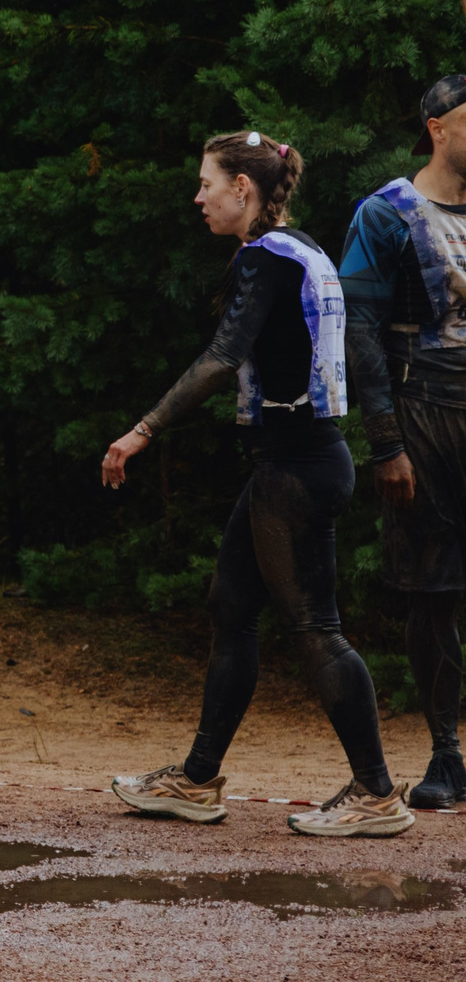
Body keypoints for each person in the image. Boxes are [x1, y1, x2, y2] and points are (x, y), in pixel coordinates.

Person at [102, 131, 414, 837]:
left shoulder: (265, 257)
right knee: (232, 604)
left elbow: (221, 359)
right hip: (293, 461)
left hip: (298, 467)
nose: (199, 197)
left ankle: (376, 791)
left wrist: (144, 428)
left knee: (317, 630)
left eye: (207, 183)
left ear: (242, 188)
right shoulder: (295, 248)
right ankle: (197, 777)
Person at [339, 74, 466, 812]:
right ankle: (448, 756)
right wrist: (385, 441)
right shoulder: (387, 213)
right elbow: (359, 330)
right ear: (437, 127)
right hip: (426, 410)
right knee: (435, 590)